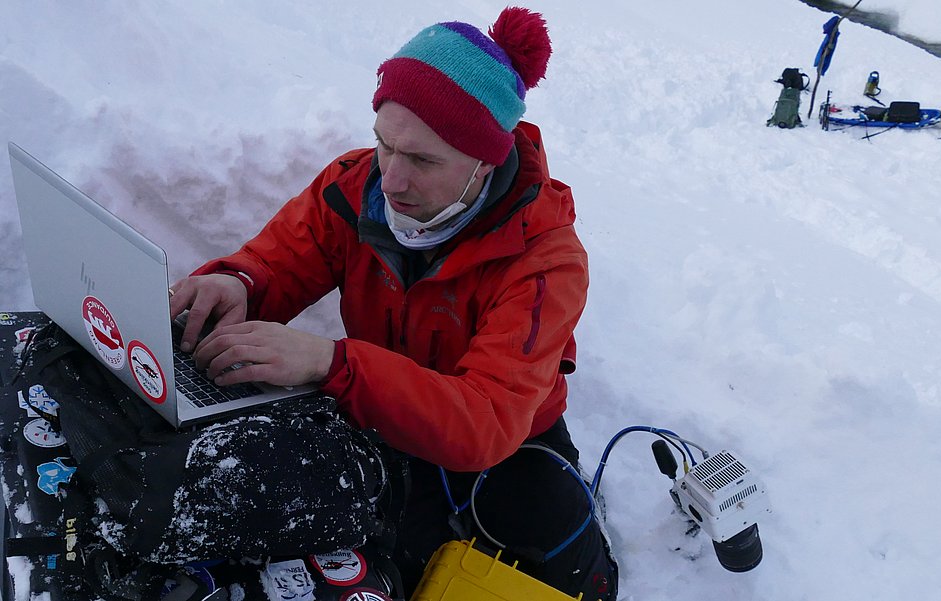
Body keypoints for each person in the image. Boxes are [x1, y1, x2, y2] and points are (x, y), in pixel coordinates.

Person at [167, 7, 618, 600]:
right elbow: (280, 262)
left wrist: (331, 363)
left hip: (502, 441)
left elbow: (486, 422)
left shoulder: (545, 259)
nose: (394, 179)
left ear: (484, 161)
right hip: (382, 408)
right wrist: (240, 284)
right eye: (385, 144)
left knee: (533, 547)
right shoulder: (357, 186)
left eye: (424, 160)